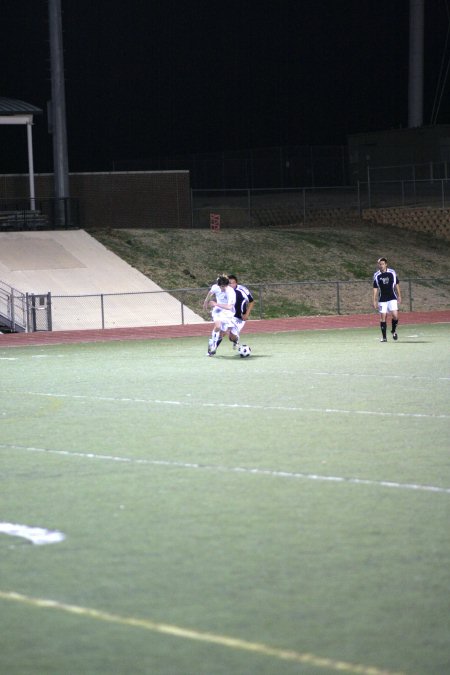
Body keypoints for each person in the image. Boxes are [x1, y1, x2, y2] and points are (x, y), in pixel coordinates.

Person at [203, 275, 236, 356]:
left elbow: (229, 307)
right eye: (221, 287)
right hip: (218, 310)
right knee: (217, 326)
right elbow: (210, 293)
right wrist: (205, 302)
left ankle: (212, 342)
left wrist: (216, 303)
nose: (222, 289)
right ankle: (213, 345)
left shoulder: (231, 292)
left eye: (223, 287)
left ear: (227, 285)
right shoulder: (216, 287)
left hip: (228, 312)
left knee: (224, 334)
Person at [372, 257, 401, 342]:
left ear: (386, 264)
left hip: (392, 297)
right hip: (382, 299)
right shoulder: (376, 275)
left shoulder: (392, 272)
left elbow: (396, 284)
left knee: (395, 315)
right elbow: (375, 288)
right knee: (383, 317)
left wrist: (399, 295)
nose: (381, 265)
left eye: (383, 264)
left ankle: (393, 330)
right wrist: (374, 300)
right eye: (380, 264)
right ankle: (384, 337)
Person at [227, 274, 255, 349]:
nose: (230, 285)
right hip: (229, 316)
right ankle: (213, 347)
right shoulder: (224, 290)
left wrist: (247, 314)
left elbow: (251, 302)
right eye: (229, 283)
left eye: (232, 283)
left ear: (236, 283)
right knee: (221, 330)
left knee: (231, 338)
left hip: (239, 317)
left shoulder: (242, 290)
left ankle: (236, 340)